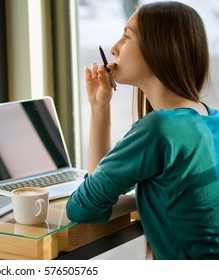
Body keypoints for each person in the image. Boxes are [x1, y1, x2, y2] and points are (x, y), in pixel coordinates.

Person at [66, 1, 219, 260]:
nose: (114, 49)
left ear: (161, 49)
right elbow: (96, 196)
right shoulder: (210, 118)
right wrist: (99, 106)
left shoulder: (161, 129)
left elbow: (83, 207)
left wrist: (138, 199)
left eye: (126, 37)